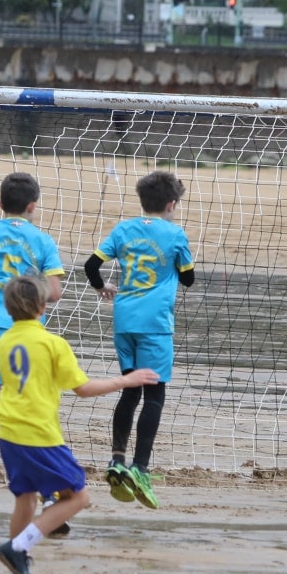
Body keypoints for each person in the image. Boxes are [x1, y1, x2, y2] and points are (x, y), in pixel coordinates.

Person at [0, 274, 159, 574]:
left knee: (25, 497)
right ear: (42, 306)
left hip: (9, 432)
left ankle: (17, 572)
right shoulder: (53, 344)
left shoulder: (3, 342)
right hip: (39, 434)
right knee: (78, 496)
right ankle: (18, 547)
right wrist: (126, 381)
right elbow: (82, 389)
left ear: (8, 308)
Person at [84, 171, 195, 510]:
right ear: (172, 204)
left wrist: (103, 287)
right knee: (155, 394)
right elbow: (189, 279)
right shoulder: (176, 234)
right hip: (155, 323)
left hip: (124, 319)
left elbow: (91, 266)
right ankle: (140, 468)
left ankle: (117, 460)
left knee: (130, 390)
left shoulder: (123, 229)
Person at [0, 172, 66, 534]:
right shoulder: (42, 239)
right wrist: (27, 283)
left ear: (1, 204)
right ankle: (51, 494)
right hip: (26, 334)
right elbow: (54, 292)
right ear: (33, 206)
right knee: (32, 411)